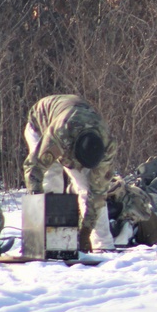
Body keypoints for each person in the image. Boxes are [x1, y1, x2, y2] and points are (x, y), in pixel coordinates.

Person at [23, 94, 116, 251]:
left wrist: (85, 231)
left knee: (89, 187)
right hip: (41, 126)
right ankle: (51, 241)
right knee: (51, 180)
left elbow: (97, 193)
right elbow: (34, 169)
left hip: (77, 124)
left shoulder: (107, 146)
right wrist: (37, 212)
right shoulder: (59, 135)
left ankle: (103, 244)